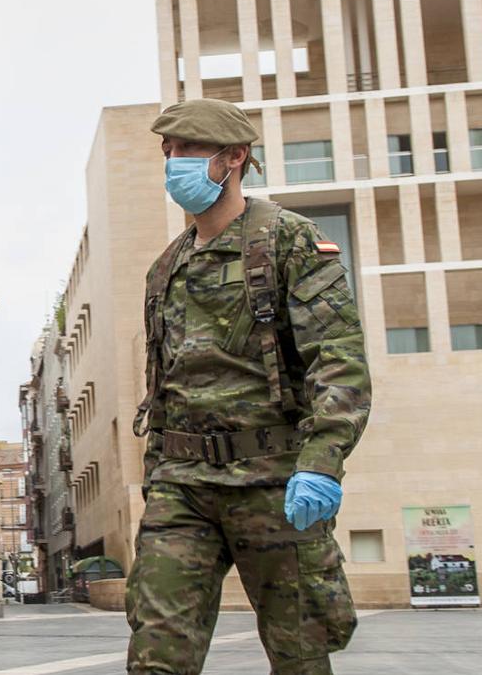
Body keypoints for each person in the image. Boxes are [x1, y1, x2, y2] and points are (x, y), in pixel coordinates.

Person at [126, 99, 371, 675]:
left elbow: (338, 363)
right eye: (168, 151)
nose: (173, 162)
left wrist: (322, 461)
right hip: (182, 487)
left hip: (274, 482)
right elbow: (162, 387)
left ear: (234, 157)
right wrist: (156, 471)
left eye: (187, 149)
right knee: (156, 654)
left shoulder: (290, 241)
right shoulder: (165, 269)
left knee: (300, 654)